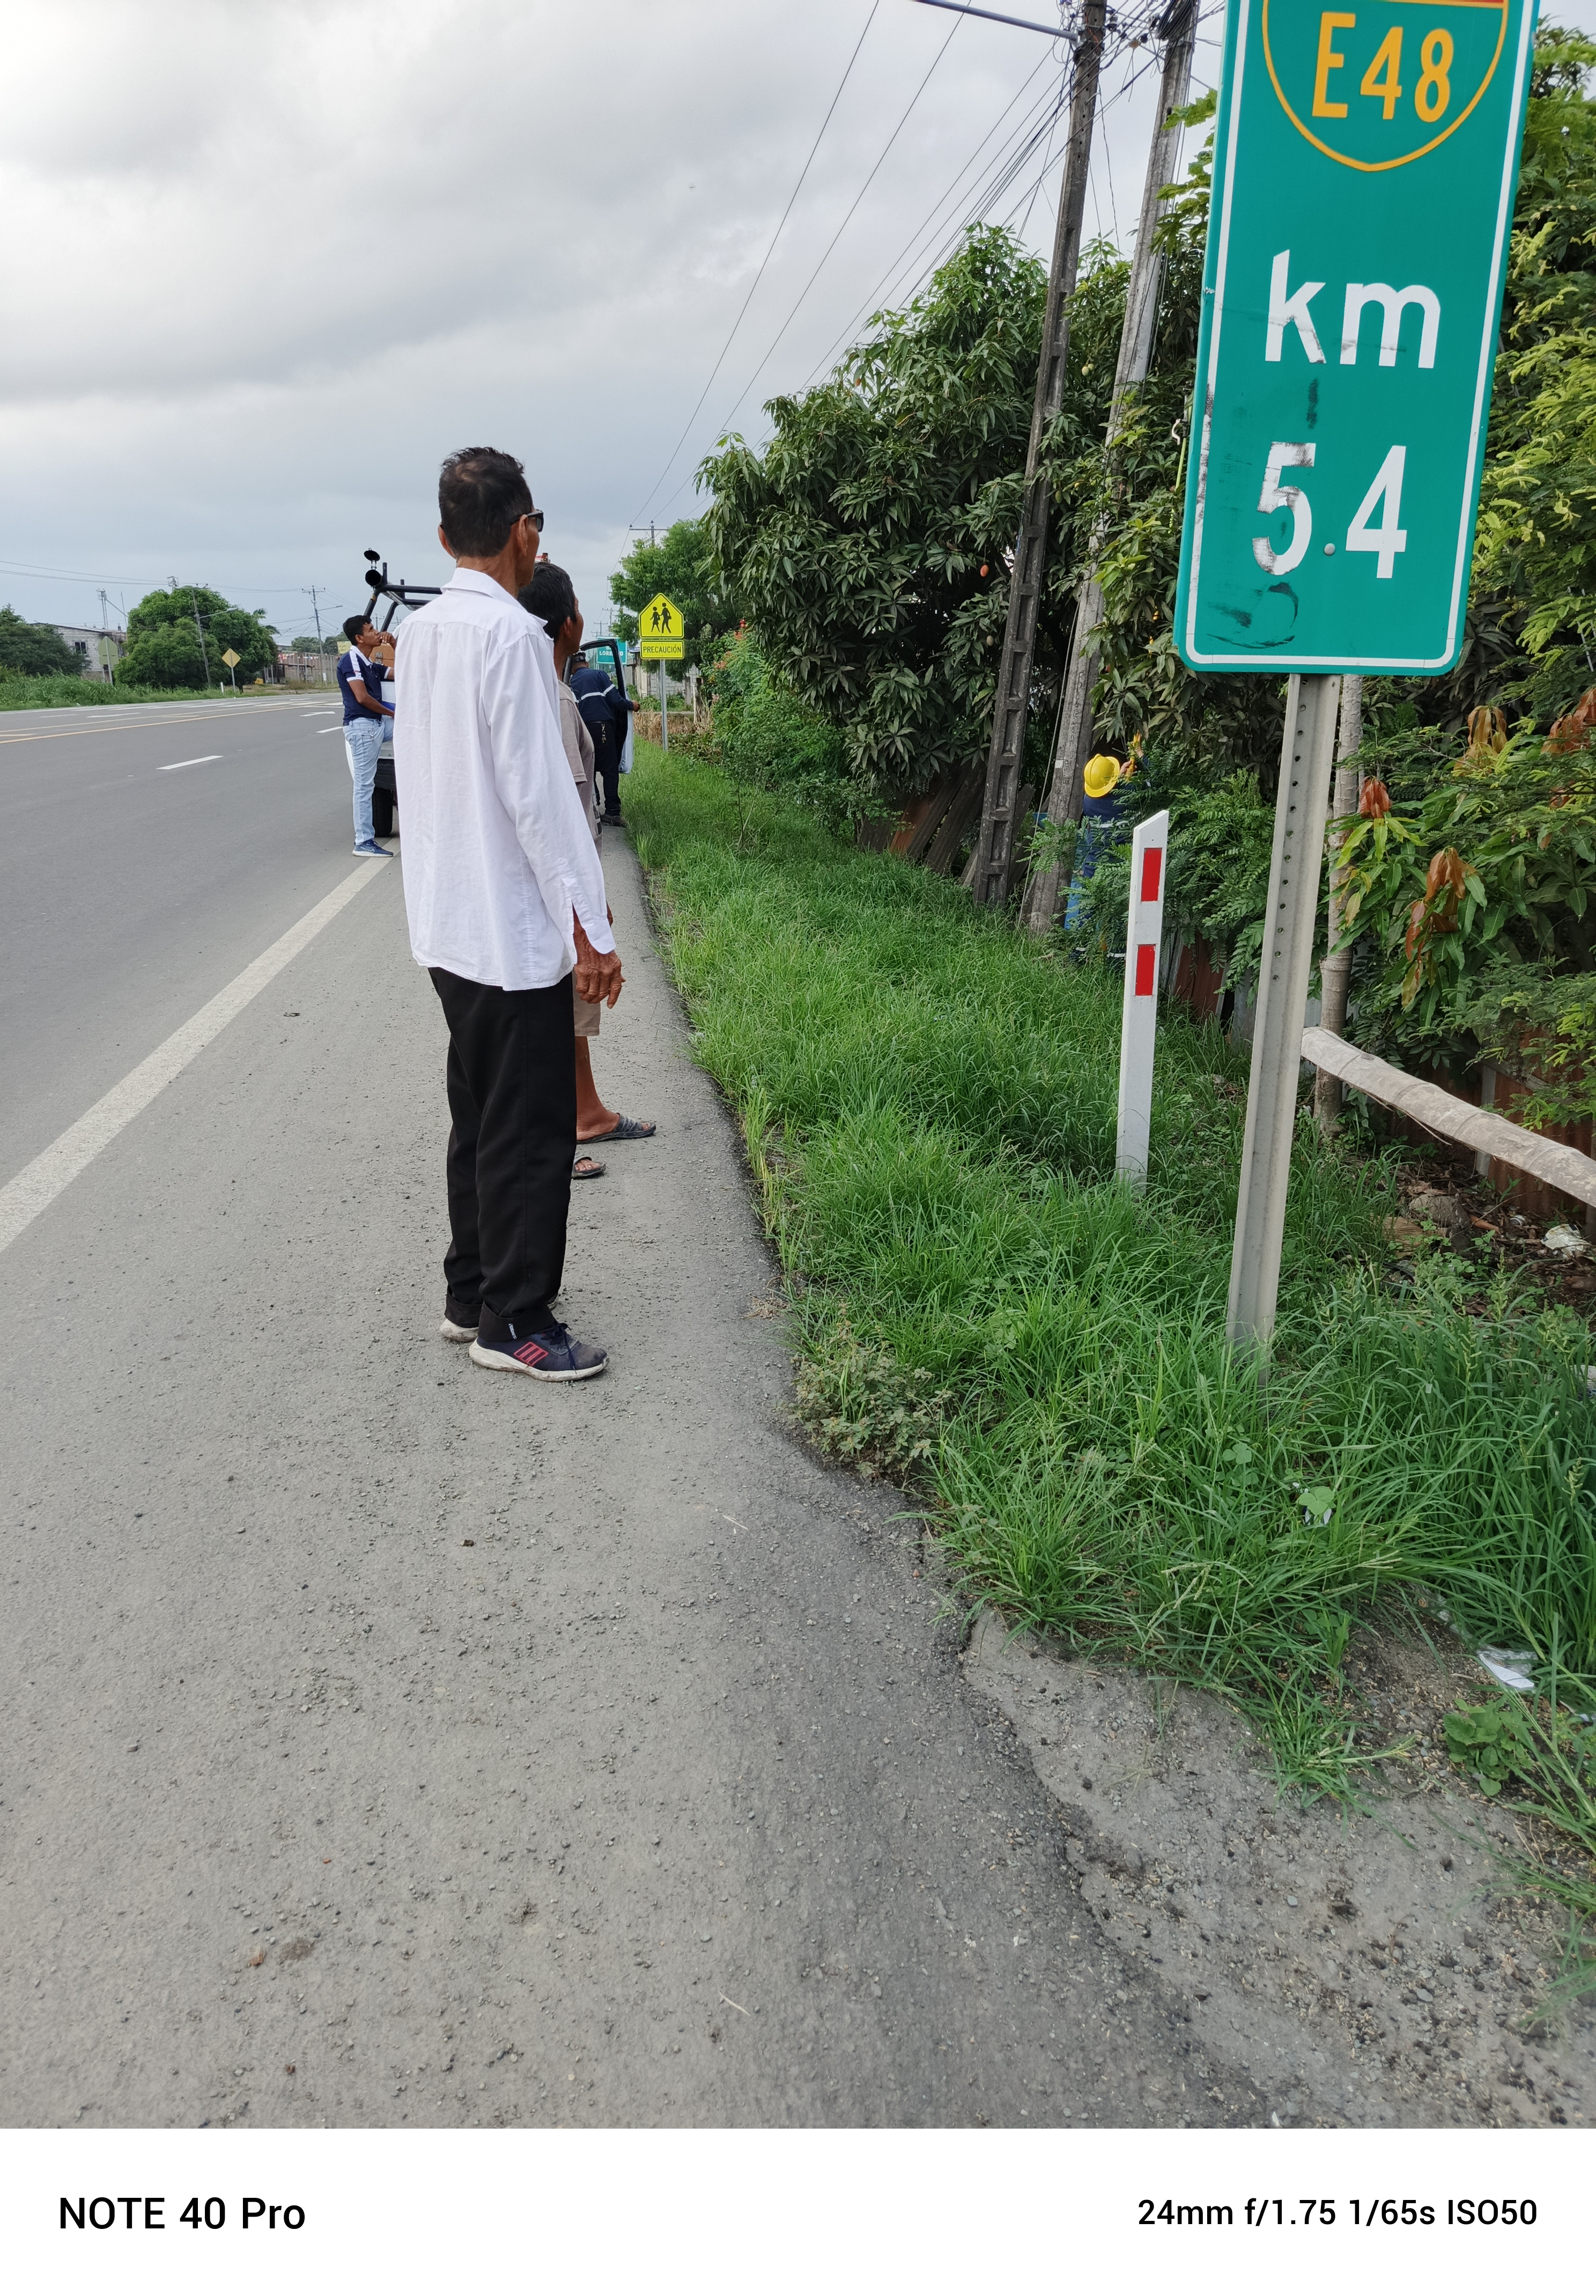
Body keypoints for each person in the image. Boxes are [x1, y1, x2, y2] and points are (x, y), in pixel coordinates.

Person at [393, 448, 621, 1382]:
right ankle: (515, 1319)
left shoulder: (420, 634)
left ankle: (471, 1292)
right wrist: (591, 931)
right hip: (511, 931)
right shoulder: (514, 639)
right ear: (524, 531)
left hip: (449, 922)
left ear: (445, 536)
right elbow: (541, 800)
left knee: (480, 1113)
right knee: (528, 1130)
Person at [521, 563, 656, 1167]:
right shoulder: (550, 700)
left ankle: (586, 1113)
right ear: (569, 623)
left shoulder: (550, 690)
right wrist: (586, 913)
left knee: (568, 1009)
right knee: (551, 1011)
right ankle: (559, 1136)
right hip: (553, 895)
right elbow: (566, 818)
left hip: (550, 891)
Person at [336, 615, 395, 857]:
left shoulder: (369, 664)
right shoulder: (351, 659)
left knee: (412, 726)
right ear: (359, 638)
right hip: (363, 728)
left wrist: (394, 644)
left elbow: (406, 673)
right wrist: (393, 713)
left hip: (375, 726)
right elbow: (362, 698)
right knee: (364, 786)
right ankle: (363, 842)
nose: (377, 632)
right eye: (371, 630)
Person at [568, 651, 632, 827]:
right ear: (587, 664)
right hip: (602, 727)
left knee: (588, 768)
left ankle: (592, 808)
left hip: (582, 729)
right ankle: (612, 812)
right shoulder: (599, 675)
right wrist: (631, 705)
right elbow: (616, 700)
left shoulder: (571, 683)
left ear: (572, 669)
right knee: (610, 769)